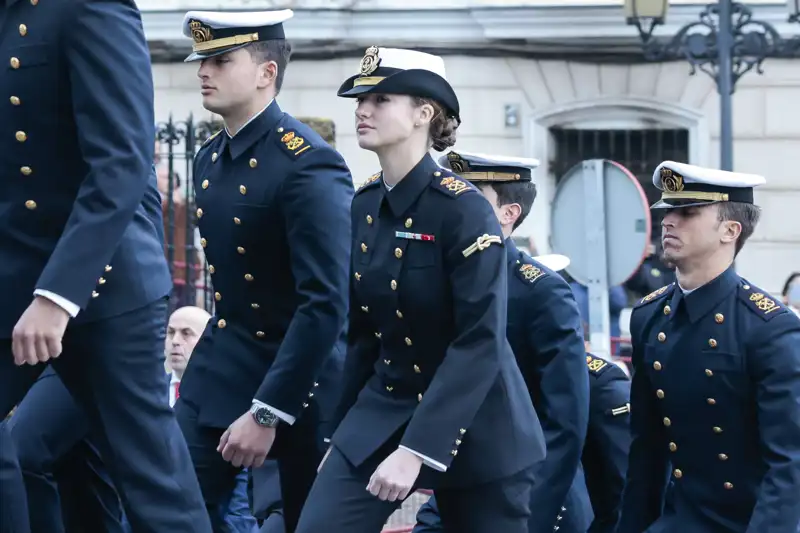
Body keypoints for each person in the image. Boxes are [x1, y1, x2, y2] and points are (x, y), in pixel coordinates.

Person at [294, 46, 544, 533]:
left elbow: (479, 339)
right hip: (385, 405)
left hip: (478, 423)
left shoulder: (464, 209)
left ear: (423, 114)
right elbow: (364, 337)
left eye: (381, 98)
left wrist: (418, 449)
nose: (362, 109)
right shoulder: (365, 204)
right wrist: (341, 440)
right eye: (360, 99)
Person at [0, 1, 211, 531]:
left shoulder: (89, 5)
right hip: (14, 276)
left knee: (150, 481)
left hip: (101, 284)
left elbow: (120, 160)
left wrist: (56, 295)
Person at [175, 10, 353, 533]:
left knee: (305, 524)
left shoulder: (307, 163)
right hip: (224, 362)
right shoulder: (210, 157)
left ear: (265, 73)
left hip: (300, 377)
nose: (204, 71)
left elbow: (325, 303)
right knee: (171, 508)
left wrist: (269, 411)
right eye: (202, 60)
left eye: (221, 60)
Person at [617, 161, 800, 533]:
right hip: (678, 520)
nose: (668, 221)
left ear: (730, 230)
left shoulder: (769, 328)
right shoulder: (650, 317)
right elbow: (646, 450)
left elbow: (790, 465)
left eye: (687, 213)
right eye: (668, 211)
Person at [410, 151, 589, 532]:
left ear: (508, 214)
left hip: (525, 495)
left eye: (471, 195)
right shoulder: (437, 279)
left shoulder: (541, 292)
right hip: (454, 485)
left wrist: (529, 512)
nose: (453, 203)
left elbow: (563, 420)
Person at [414, 352, 631, 533]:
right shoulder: (483, 369)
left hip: (561, 505)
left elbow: (622, 496)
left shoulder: (594, 381)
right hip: (491, 485)